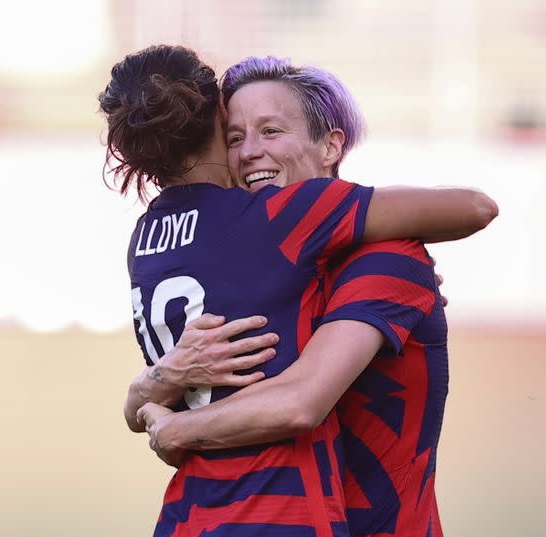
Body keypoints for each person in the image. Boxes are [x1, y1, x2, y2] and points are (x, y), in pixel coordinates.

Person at [99, 45, 496, 537]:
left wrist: (170, 424)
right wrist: (155, 383)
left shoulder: (384, 258)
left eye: (271, 131)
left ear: (330, 146)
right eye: (235, 136)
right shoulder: (259, 260)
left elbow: (299, 401)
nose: (248, 152)